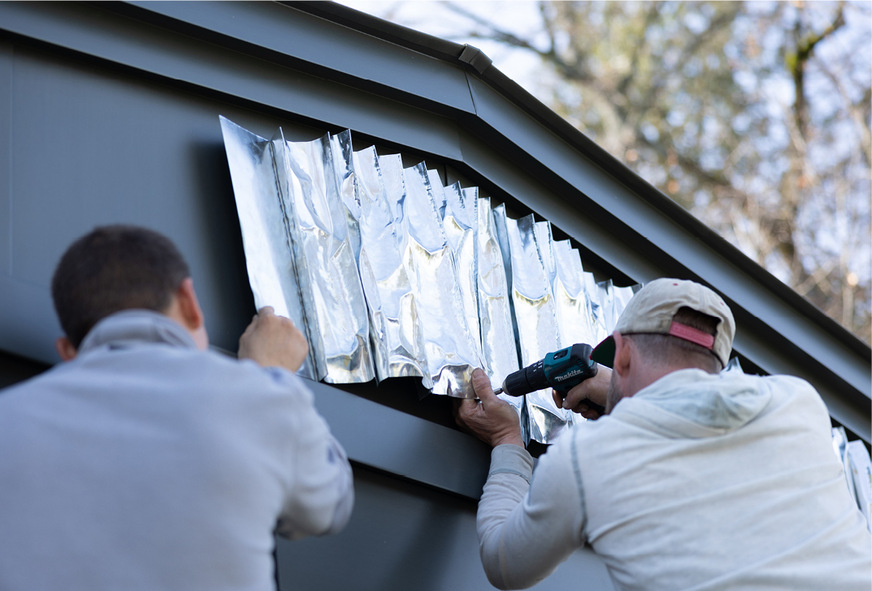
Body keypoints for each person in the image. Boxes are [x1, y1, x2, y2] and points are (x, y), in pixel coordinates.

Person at [456, 277, 871, 591]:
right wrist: (625, 395)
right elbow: (694, 413)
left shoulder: (588, 457)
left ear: (622, 353)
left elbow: (504, 564)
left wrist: (507, 441)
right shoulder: (797, 402)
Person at [0, 225, 354, 590]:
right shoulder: (259, 399)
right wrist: (269, 377)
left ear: (68, 352)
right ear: (189, 303)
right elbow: (330, 506)